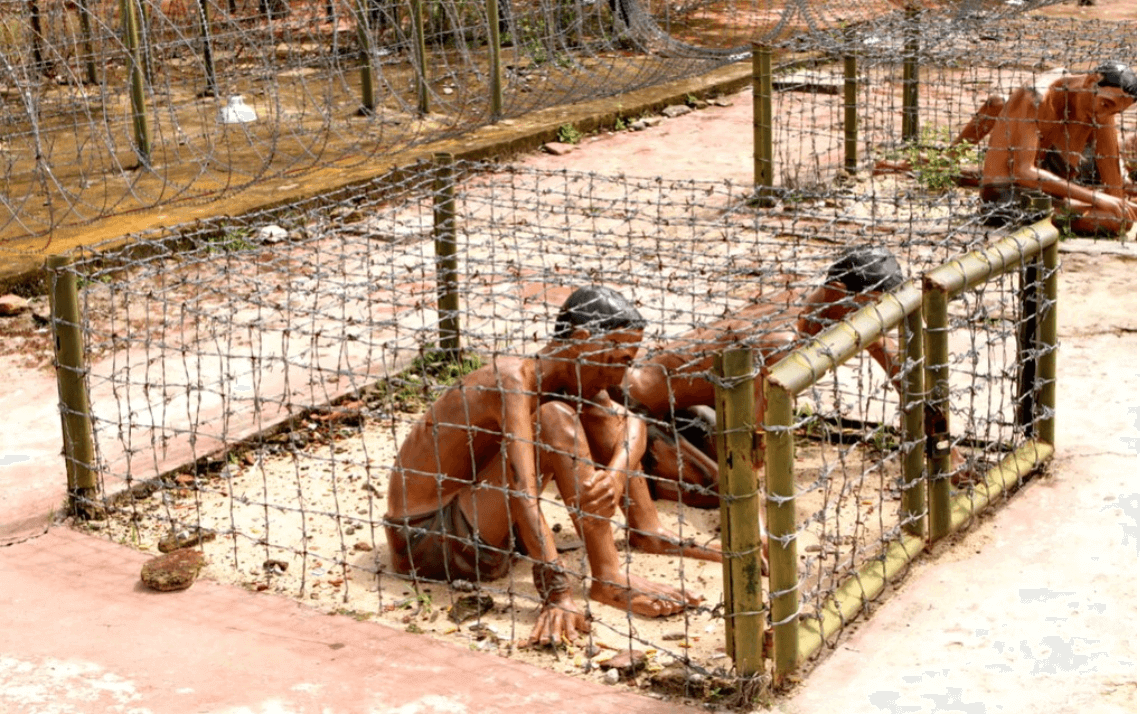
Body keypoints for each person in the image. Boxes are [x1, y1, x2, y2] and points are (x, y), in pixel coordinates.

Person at [384, 285, 718, 649]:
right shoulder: (514, 381)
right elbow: (520, 487)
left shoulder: (571, 374)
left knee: (597, 416)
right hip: (431, 542)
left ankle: (649, 531)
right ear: (581, 339)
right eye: (617, 360)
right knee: (554, 419)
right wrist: (556, 592)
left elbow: (631, 424)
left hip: (484, 523)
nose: (618, 377)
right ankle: (607, 577)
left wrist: (616, 474)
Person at [621, 248, 907, 508]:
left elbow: (894, 361)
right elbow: (753, 448)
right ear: (836, 290)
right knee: (721, 489)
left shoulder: (817, 301)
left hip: (684, 404)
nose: (877, 322)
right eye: (873, 309)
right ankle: (625, 468)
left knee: (721, 458)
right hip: (633, 404)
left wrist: (930, 429)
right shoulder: (783, 342)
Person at [950, 63, 1137, 235]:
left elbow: (1114, 188)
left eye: (1115, 111)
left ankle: (956, 172)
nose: (1104, 114)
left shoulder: (1100, 106)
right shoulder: (1037, 97)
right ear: (1091, 80)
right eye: (1106, 104)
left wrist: (1119, 202)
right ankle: (951, 168)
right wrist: (1096, 198)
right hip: (1007, 197)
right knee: (1114, 220)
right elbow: (1024, 172)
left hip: (1051, 195)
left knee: (1123, 216)